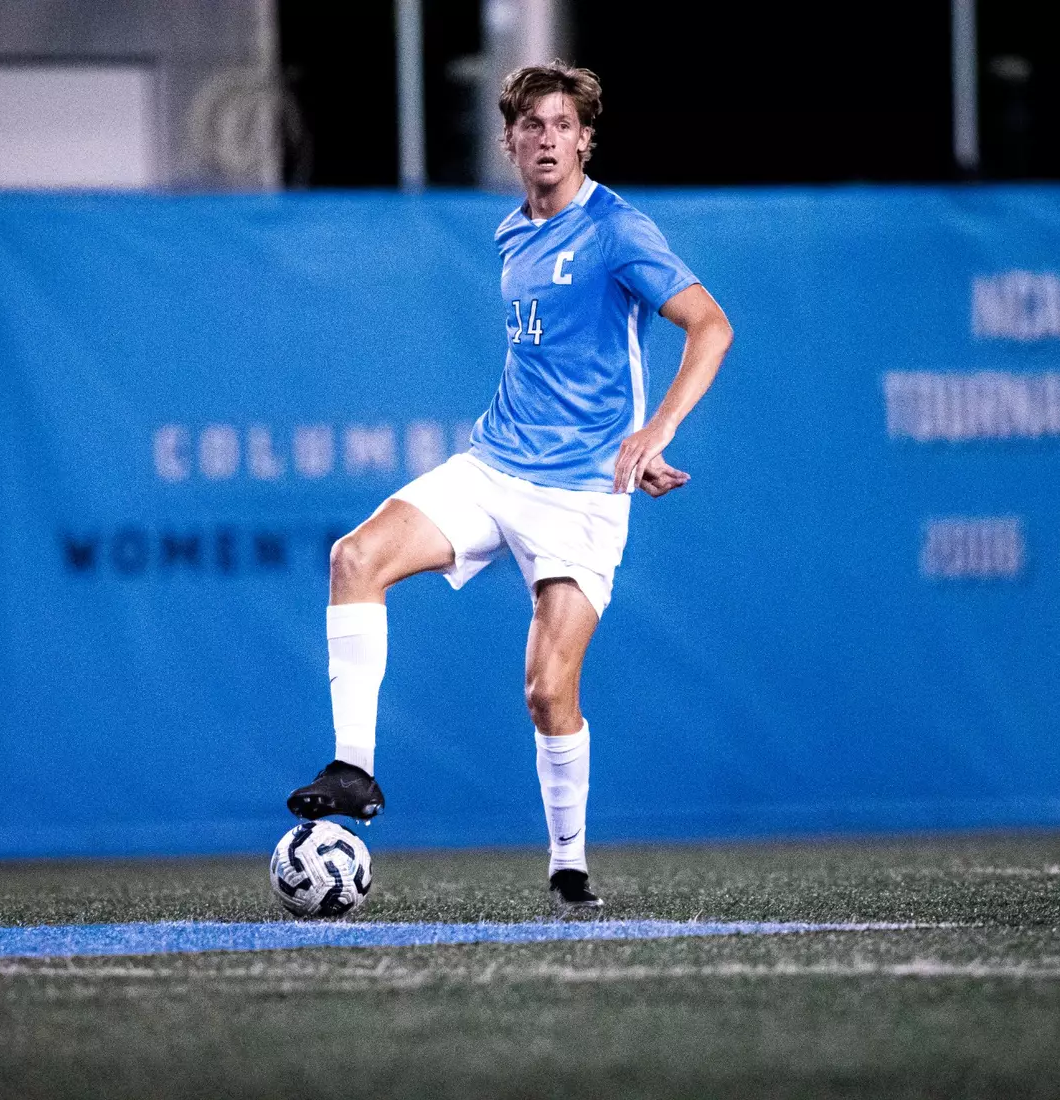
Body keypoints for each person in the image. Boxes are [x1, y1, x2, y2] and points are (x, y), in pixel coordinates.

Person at [286, 61, 733, 910]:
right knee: (355, 557)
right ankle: (353, 772)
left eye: (564, 125)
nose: (547, 140)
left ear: (585, 139)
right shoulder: (511, 235)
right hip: (493, 467)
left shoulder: (617, 231)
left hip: (580, 498)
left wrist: (653, 434)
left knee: (547, 691)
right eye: (532, 126)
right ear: (511, 141)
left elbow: (711, 327)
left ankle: (569, 865)